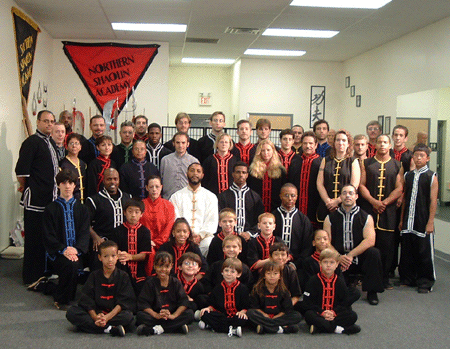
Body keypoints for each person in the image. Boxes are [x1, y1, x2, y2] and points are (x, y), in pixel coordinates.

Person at [16, 110, 59, 285]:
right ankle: (31, 276)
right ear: (38, 122)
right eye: (46, 121)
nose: (49, 124)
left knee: (45, 238)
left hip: (49, 198)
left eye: (52, 121)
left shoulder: (50, 142)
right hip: (35, 200)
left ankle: (43, 272)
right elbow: (21, 172)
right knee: (33, 239)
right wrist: (27, 188)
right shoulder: (31, 142)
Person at [324, 184, 384, 305]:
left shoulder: (366, 217)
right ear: (340, 197)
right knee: (326, 255)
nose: (347, 196)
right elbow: (326, 242)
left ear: (356, 196)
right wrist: (338, 257)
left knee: (374, 253)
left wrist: (351, 255)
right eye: (344, 193)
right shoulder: (330, 218)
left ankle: (372, 291)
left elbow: (370, 240)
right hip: (338, 258)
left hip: (358, 258)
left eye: (351, 193)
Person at [359, 134, 403, 289]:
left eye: (385, 142)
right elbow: (361, 185)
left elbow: (399, 188)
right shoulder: (367, 163)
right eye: (380, 142)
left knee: (387, 247)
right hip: (369, 210)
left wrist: (384, 202)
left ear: (389, 145)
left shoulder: (397, 164)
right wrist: (374, 202)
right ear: (375, 145)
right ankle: (366, 277)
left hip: (388, 212)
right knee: (368, 246)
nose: (382, 145)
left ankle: (384, 278)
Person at [66, 240, 136, 337]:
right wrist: (95, 317)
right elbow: (86, 299)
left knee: (128, 317)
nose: (110, 260)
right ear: (100, 258)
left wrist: (106, 318)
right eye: (106, 256)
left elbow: (123, 302)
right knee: (71, 312)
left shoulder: (123, 276)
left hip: (113, 314)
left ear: (117, 257)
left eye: (113, 256)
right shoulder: (94, 275)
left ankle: (95, 327)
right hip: (97, 312)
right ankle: (109, 329)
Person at [42, 169, 90, 309]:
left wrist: (75, 250)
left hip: (77, 252)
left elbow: (84, 233)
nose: (67, 186)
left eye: (70, 183)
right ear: (58, 185)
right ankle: (61, 300)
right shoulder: (50, 209)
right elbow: (48, 235)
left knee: (77, 266)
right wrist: (63, 249)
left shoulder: (82, 209)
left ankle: (51, 288)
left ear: (75, 185)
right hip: (57, 253)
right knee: (70, 265)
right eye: (64, 183)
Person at [399, 144, 438, 293]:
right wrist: (402, 220)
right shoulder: (408, 175)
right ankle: (408, 278)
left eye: (422, 156)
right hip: (409, 218)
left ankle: (425, 282)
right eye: (416, 155)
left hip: (423, 219)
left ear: (427, 158)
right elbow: (404, 199)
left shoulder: (431, 176)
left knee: (424, 251)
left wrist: (430, 222)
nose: (418, 158)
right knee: (408, 250)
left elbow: (433, 201)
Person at [303, 249, 361, 335]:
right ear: (320, 263)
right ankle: (339, 329)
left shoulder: (340, 281)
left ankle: (320, 327)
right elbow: (307, 302)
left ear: (337, 264)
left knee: (352, 315)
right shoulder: (313, 280)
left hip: (334, 314)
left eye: (332, 262)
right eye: (325, 262)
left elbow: (344, 302)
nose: (328, 265)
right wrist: (322, 312)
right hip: (319, 313)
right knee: (308, 315)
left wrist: (334, 312)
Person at [136, 251, 194, 335]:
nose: (163, 269)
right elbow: (143, 303)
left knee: (189, 314)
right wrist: (156, 315)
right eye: (160, 266)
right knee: (140, 316)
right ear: (154, 266)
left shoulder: (176, 282)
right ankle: (175, 328)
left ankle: (155, 329)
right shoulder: (150, 282)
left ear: (171, 266)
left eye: (166, 266)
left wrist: (174, 315)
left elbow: (183, 302)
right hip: (156, 315)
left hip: (172, 314)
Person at [170, 163, 219, 256]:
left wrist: (200, 236)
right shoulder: (176, 196)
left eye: (198, 171)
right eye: (192, 170)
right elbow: (175, 218)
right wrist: (187, 235)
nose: (195, 173)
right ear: (186, 173)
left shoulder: (211, 197)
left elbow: (212, 221)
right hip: (182, 236)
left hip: (204, 238)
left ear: (202, 175)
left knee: (209, 245)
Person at [86, 168, 131, 266]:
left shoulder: (128, 198)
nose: (112, 182)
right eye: (109, 179)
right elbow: (85, 223)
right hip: (103, 241)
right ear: (103, 180)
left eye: (115, 179)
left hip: (124, 242)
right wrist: (95, 237)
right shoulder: (94, 200)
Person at [316, 129, 360, 224]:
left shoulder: (353, 161)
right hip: (326, 205)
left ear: (348, 144)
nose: (341, 143)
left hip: (345, 205)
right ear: (334, 143)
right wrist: (328, 201)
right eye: (338, 140)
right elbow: (319, 183)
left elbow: (354, 185)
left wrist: (337, 201)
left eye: (344, 140)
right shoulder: (325, 160)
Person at [198, 258, 249, 337]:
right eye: (226, 271)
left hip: (235, 315)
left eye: (232, 272)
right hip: (222, 315)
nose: (228, 274)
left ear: (238, 274)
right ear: (222, 272)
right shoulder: (217, 288)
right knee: (205, 314)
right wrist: (208, 308)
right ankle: (231, 329)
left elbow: (246, 306)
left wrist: (243, 312)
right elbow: (213, 304)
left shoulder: (243, 288)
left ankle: (213, 326)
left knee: (243, 319)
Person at [247, 261, 302, 334]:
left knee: (297, 316)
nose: (272, 276)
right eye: (268, 273)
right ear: (264, 275)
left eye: (275, 274)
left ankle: (267, 327)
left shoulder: (284, 290)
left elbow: (286, 309)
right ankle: (281, 329)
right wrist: (265, 315)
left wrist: (276, 317)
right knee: (250, 313)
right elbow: (255, 307)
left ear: (279, 276)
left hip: (278, 316)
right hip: (263, 315)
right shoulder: (257, 289)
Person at [218, 162, 265, 240]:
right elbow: (219, 218)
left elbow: (260, 220)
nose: (241, 175)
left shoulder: (255, 197)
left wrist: (249, 234)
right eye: (238, 172)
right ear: (233, 174)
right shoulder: (223, 196)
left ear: (247, 175)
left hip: (249, 239)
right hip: (227, 238)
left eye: (244, 172)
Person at [114, 199, 152, 295]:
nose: (133, 215)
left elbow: (144, 255)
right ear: (124, 213)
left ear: (141, 214)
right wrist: (120, 255)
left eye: (137, 212)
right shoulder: (117, 230)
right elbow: (114, 250)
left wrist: (130, 257)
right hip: (121, 269)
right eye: (130, 211)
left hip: (140, 273)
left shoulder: (145, 231)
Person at [272, 184, 314, 269]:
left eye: (293, 195)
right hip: (274, 263)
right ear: (280, 196)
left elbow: (308, 246)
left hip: (297, 265)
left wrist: (296, 264)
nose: (290, 198)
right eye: (286, 195)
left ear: (297, 197)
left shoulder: (303, 219)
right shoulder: (272, 217)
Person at [288, 131, 322, 227]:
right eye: (305, 143)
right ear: (301, 145)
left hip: (314, 205)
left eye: (311, 143)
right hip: (296, 204)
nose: (308, 146)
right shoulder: (295, 161)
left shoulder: (321, 162)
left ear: (316, 145)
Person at [248, 140, 286, 213]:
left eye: (268, 150)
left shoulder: (281, 170)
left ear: (273, 151)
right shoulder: (252, 169)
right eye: (263, 150)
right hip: (256, 207)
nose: (266, 153)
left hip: (275, 208)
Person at [140, 175, 176, 250]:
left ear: (161, 187)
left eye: (157, 186)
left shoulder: (168, 205)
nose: (154, 189)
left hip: (165, 246)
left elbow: (169, 228)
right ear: (146, 188)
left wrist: (156, 243)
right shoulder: (141, 205)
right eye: (151, 187)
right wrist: (147, 242)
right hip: (144, 244)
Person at [160, 132, 199, 199]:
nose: (180, 145)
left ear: (188, 144)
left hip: (187, 199)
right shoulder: (165, 160)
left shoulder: (194, 161)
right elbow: (160, 179)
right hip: (168, 198)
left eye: (183, 143)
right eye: (178, 142)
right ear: (173, 143)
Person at [59, 133, 87, 203]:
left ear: (80, 147)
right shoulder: (63, 164)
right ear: (67, 146)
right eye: (71, 143)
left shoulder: (83, 164)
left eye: (76, 143)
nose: (74, 146)